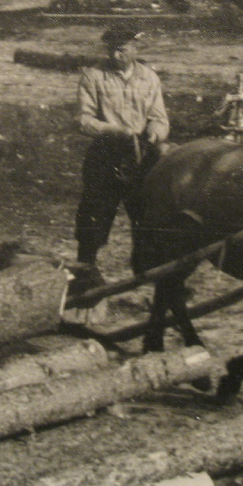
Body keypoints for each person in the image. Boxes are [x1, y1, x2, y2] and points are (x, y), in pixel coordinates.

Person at [71, 27, 170, 297]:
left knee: (146, 217)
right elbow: (83, 119)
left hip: (141, 156)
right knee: (95, 216)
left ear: (135, 48)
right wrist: (116, 131)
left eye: (122, 50)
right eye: (112, 50)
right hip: (106, 154)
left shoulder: (149, 78)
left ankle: (146, 278)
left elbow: (159, 117)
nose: (116, 56)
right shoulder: (94, 76)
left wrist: (155, 132)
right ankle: (84, 275)